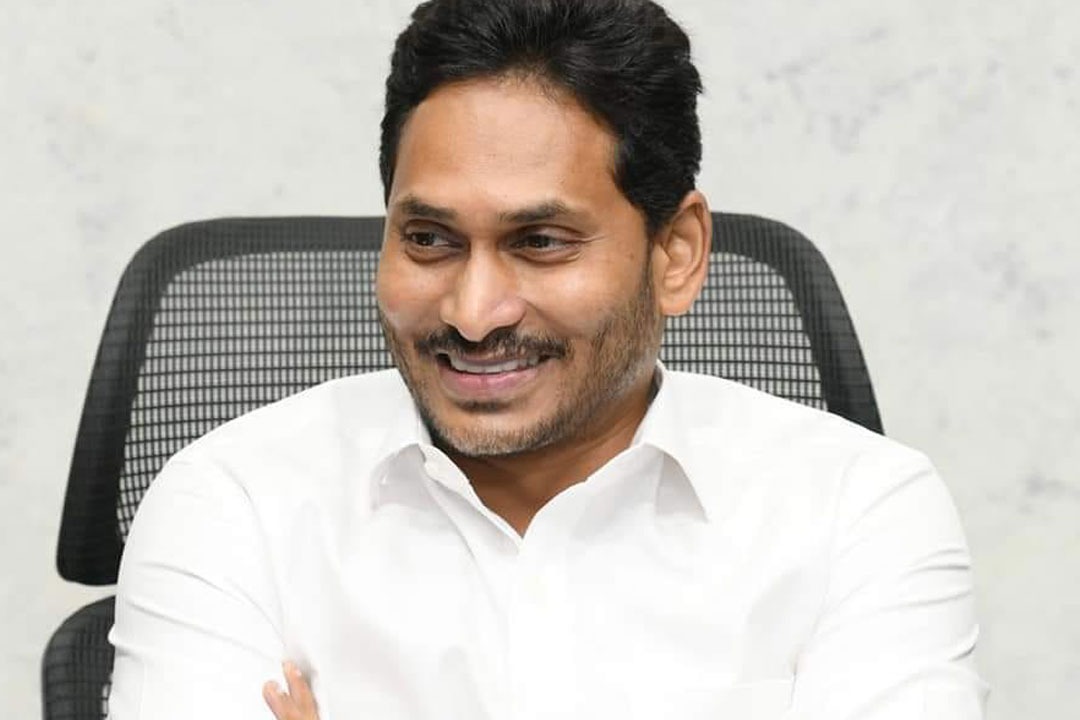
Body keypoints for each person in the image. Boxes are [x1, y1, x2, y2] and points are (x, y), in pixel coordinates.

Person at [107, 0, 988, 718]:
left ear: (676, 253)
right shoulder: (235, 503)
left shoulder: (857, 512)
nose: (473, 312)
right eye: (429, 239)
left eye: (541, 242)